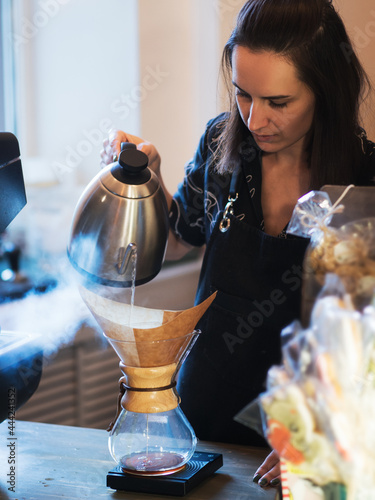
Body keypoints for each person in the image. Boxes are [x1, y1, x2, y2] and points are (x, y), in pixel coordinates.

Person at [101, 0, 375, 488]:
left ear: (325, 90)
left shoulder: (366, 180)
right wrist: (148, 181)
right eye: (243, 95)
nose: (254, 119)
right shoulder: (222, 145)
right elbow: (181, 239)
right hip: (201, 424)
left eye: (278, 102)